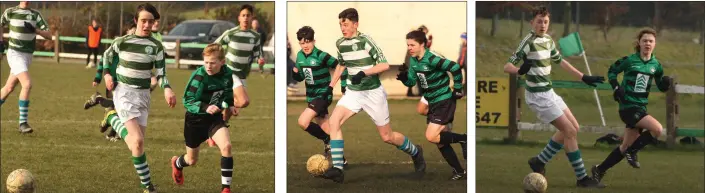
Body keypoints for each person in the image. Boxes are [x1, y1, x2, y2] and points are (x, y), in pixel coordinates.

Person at [502, 7, 606, 188]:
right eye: (539, 21)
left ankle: (539, 161)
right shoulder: (528, 41)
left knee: (574, 127)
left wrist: (583, 77)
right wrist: (520, 70)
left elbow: (561, 61)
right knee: (570, 132)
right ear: (532, 22)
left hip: (549, 92)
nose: (542, 25)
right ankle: (582, 179)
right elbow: (507, 66)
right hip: (537, 96)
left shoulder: (548, 40)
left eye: (545, 22)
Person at [320, 8, 426, 183]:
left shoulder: (366, 41)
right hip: (354, 92)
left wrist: (364, 72)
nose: (342, 28)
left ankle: (416, 152)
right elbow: (341, 64)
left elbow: (383, 65)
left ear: (356, 24)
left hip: (373, 94)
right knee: (334, 122)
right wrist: (330, 86)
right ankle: (338, 169)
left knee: (387, 137)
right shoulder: (340, 43)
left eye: (345, 24)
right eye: (340, 24)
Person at [101, 3, 176, 192]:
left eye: (151, 22)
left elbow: (161, 73)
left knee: (137, 144)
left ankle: (111, 118)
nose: (147, 25)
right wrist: (107, 75)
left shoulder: (156, 46)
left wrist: (167, 89)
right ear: (136, 21)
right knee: (138, 141)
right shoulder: (123, 41)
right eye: (143, 21)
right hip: (124, 92)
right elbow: (107, 56)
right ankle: (148, 186)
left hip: (144, 96)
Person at [591, 28, 670, 184]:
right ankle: (633, 152)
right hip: (627, 107)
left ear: (654, 44)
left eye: (651, 41)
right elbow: (612, 71)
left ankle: (599, 170)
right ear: (639, 43)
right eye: (645, 40)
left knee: (624, 146)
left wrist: (665, 84)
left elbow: (661, 86)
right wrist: (615, 87)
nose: (648, 43)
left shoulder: (656, 65)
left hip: (641, 108)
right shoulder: (629, 60)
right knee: (657, 129)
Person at [398, 30, 467, 180]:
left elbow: (455, 67)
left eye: (412, 45)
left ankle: (464, 139)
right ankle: (459, 171)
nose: (409, 48)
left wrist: (457, 88)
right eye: (408, 45)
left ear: (422, 44)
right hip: (432, 101)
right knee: (440, 141)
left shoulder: (432, 59)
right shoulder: (414, 61)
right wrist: (404, 79)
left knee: (431, 135)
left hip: (443, 100)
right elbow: (411, 81)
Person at [170, 44, 236, 193]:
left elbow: (228, 91)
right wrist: (205, 107)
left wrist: (230, 105)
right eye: (206, 62)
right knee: (192, 160)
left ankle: (226, 189)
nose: (208, 66)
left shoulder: (227, 73)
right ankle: (177, 164)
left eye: (212, 62)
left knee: (226, 146)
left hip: (214, 119)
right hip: (195, 120)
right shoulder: (199, 76)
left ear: (222, 62)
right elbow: (187, 100)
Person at [291, 26, 348, 162]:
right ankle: (341, 159)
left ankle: (326, 140)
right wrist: (295, 74)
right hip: (311, 96)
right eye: (302, 42)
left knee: (303, 122)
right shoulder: (299, 56)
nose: (305, 45)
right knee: (327, 128)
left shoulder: (321, 55)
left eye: (308, 41)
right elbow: (300, 78)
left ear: (313, 41)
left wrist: (343, 86)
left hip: (323, 95)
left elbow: (342, 67)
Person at [210, 4, 264, 146]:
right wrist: (217, 61)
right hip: (229, 71)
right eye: (243, 15)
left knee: (228, 111)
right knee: (244, 101)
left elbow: (259, 54)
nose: (246, 18)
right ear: (239, 18)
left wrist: (260, 61)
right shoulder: (231, 33)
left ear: (252, 17)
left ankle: (216, 129)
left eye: (248, 15)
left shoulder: (255, 36)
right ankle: (223, 106)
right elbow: (216, 45)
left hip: (242, 74)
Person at [0, 1, 52, 134]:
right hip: (14, 53)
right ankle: (22, 123)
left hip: (27, 56)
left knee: (9, 87)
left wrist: (35, 30)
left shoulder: (35, 15)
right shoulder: (10, 12)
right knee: (27, 84)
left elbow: (49, 35)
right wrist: (1, 43)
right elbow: (0, 25)